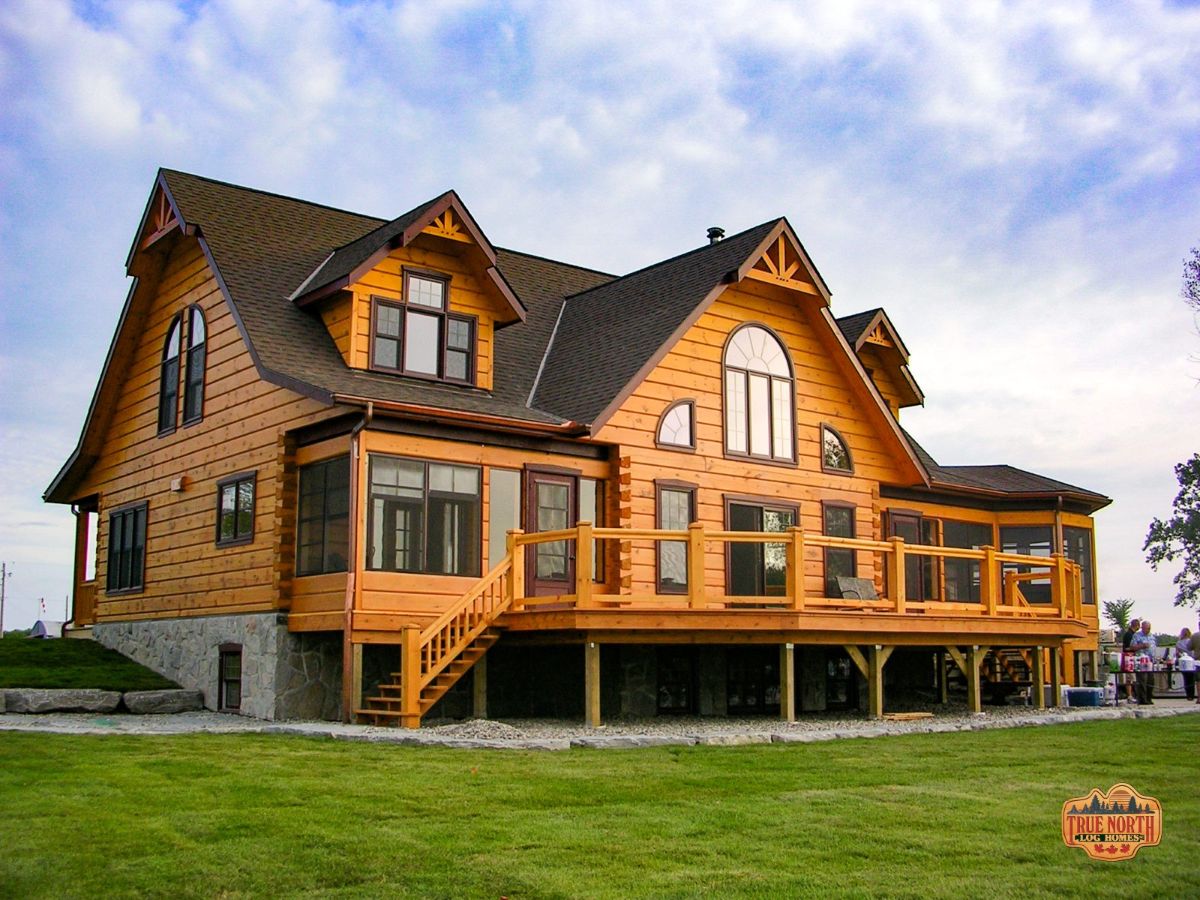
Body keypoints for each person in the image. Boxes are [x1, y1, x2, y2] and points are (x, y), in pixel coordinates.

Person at [1130, 620, 1157, 705]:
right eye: (1146, 628)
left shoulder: (1152, 636)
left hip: (1150, 661)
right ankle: (1142, 700)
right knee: (1142, 680)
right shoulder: (1137, 635)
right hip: (1141, 661)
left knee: (1151, 680)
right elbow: (1132, 647)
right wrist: (1142, 645)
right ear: (1142, 628)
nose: (1147, 630)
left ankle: (1149, 698)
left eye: (1149, 628)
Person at [1121, 618, 1140, 703]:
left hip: (1132, 657)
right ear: (1137, 625)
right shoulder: (1129, 635)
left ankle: (1133, 695)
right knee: (1130, 677)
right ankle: (1129, 695)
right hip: (1129, 657)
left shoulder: (1132, 634)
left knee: (1132, 677)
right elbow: (1127, 647)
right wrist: (1137, 647)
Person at [1175, 628, 1195, 702]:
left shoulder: (1179, 643)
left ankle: (1188, 695)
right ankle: (1191, 695)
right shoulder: (1191, 641)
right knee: (1191, 679)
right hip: (1191, 662)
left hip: (1183, 662)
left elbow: (1177, 654)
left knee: (1186, 679)